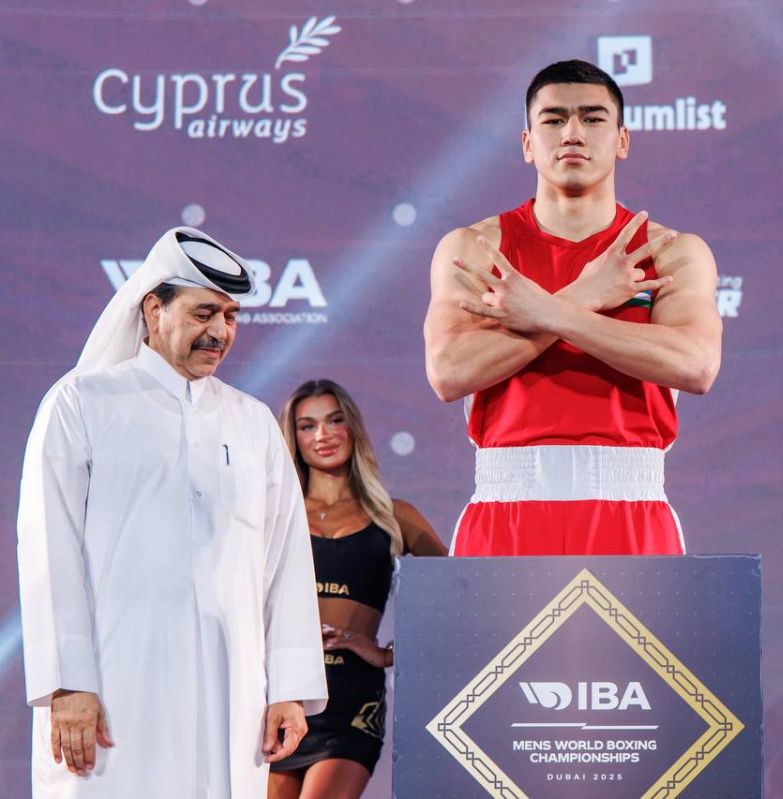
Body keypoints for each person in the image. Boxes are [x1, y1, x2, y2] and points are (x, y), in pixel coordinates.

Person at [17, 227, 327, 798]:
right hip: (113, 691)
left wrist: (287, 686)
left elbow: (285, 560)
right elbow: (48, 551)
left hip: (230, 696)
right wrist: (67, 683)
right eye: (203, 313)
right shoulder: (82, 403)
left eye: (230, 317)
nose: (220, 332)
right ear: (153, 311)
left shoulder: (252, 421)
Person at [423, 59, 722, 556]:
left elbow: (695, 365)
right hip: (506, 504)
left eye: (593, 118)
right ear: (527, 143)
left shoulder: (671, 251)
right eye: (554, 119)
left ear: (622, 140)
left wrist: (548, 312)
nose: (573, 134)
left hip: (631, 504)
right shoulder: (474, 247)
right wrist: (585, 295)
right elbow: (449, 373)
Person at [269, 379, 447, 798]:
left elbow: (461, 597)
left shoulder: (393, 515)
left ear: (352, 428)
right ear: (293, 437)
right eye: (308, 426)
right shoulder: (275, 513)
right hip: (281, 692)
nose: (324, 435)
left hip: (352, 700)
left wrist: (388, 654)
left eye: (335, 421)